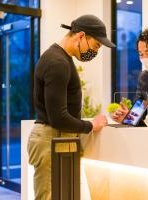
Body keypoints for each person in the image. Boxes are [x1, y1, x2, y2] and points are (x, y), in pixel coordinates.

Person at [27, 15, 115, 200]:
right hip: (52, 139)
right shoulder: (57, 62)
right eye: (96, 46)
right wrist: (90, 126)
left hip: (56, 139)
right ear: (81, 36)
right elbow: (58, 117)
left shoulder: (60, 58)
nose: (95, 52)